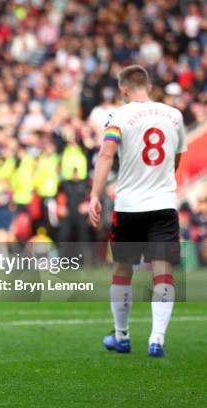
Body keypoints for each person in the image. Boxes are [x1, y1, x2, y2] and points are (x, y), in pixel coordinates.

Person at [89, 65, 186, 357]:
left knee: (122, 269)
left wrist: (94, 194)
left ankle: (122, 336)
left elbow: (106, 154)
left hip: (129, 204)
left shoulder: (118, 116)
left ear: (123, 90)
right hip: (164, 203)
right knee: (163, 272)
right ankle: (157, 340)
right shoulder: (175, 116)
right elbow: (176, 160)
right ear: (150, 85)